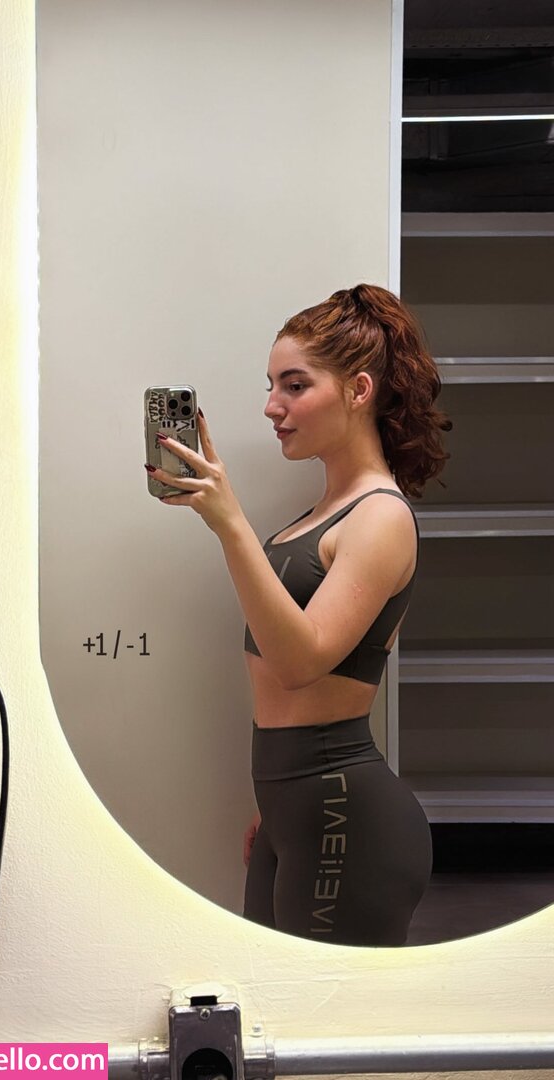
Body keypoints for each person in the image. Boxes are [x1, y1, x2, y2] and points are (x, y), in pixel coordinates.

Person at [145, 283, 452, 947]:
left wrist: (229, 523)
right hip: (293, 811)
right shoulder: (319, 517)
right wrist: (278, 805)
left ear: (358, 390)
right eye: (271, 385)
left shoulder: (381, 517)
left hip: (345, 816)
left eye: (294, 385)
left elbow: (300, 663)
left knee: (331, 1014)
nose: (271, 406)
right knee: (274, 1004)